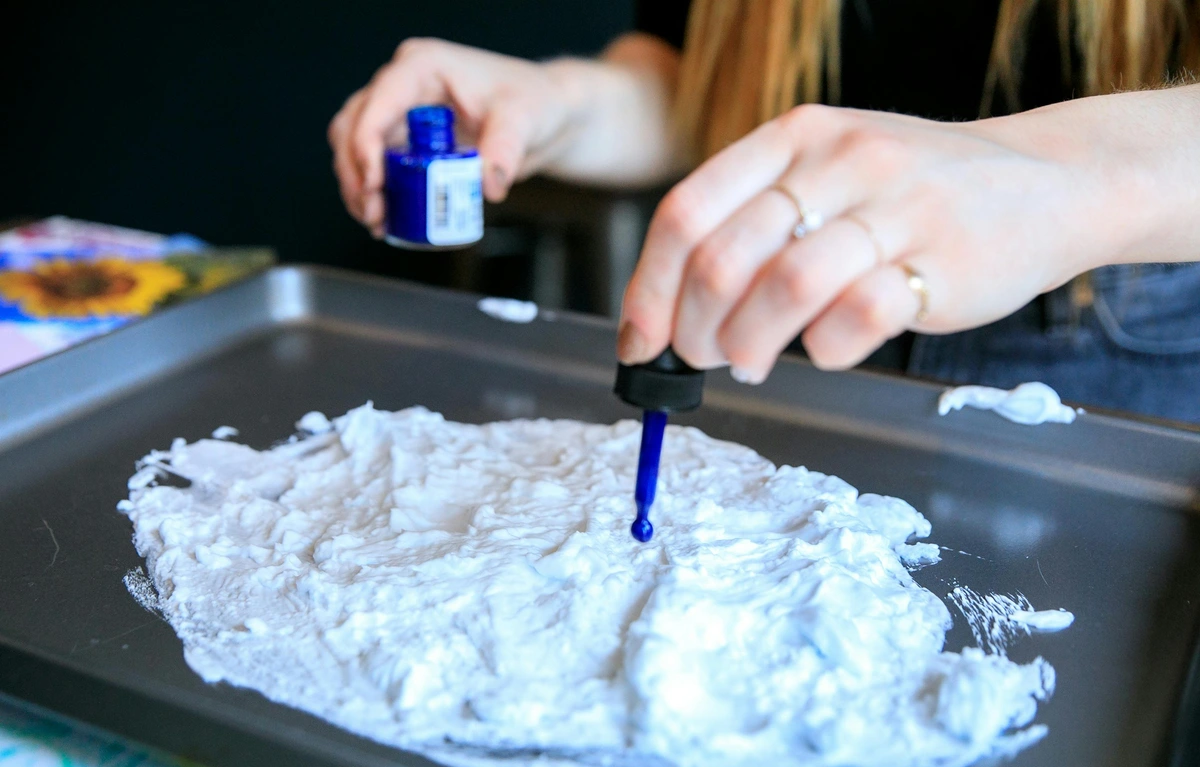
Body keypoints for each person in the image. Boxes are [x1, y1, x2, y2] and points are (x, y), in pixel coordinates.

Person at [328, 0, 1200, 422]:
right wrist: (561, 101)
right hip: (794, 348)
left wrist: (1062, 176)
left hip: (1120, 373)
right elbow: (700, 78)